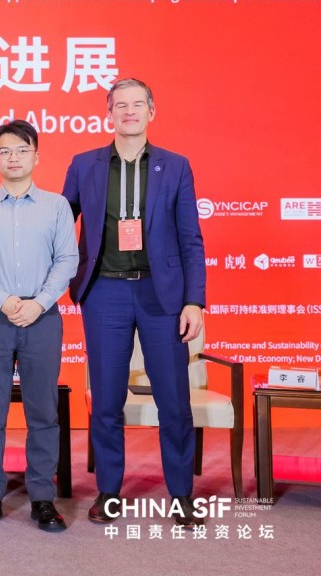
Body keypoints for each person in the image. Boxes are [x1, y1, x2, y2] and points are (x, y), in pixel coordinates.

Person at [62, 77, 207, 529]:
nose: (129, 112)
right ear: (108, 114)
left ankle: (181, 494)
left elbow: (191, 238)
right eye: (120, 105)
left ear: (151, 111)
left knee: (174, 401)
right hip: (104, 293)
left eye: (137, 104)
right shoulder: (84, 165)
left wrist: (194, 301)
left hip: (162, 296)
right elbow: (58, 225)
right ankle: (109, 491)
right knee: (107, 400)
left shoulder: (175, 166)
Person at [0, 120, 78, 531]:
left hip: (42, 317)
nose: (13, 158)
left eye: (22, 150)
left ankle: (42, 496)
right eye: (5, 151)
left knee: (42, 410)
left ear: (36, 156)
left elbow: (67, 259)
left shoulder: (56, 206)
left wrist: (39, 302)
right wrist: (4, 300)